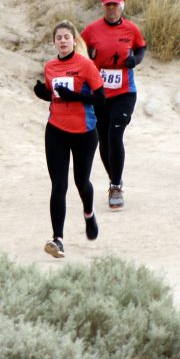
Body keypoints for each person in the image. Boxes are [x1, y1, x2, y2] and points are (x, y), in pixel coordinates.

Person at [33, 20, 106, 258]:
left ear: (75, 41)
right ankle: (58, 239)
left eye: (67, 37)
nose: (63, 41)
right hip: (56, 131)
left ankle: (88, 213)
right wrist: (43, 94)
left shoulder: (86, 66)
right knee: (59, 185)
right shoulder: (50, 66)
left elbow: (100, 99)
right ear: (54, 42)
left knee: (81, 182)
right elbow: (55, 96)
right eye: (58, 37)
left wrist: (75, 96)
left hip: (84, 133)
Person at [81, 0, 146, 209]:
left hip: (124, 92)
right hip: (99, 94)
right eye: (108, 5)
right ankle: (114, 178)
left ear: (122, 6)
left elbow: (141, 47)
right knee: (103, 141)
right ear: (103, 7)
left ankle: (116, 185)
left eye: (115, 5)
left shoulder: (131, 29)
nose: (112, 9)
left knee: (115, 135)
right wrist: (87, 59)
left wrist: (134, 60)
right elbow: (79, 50)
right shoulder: (91, 30)